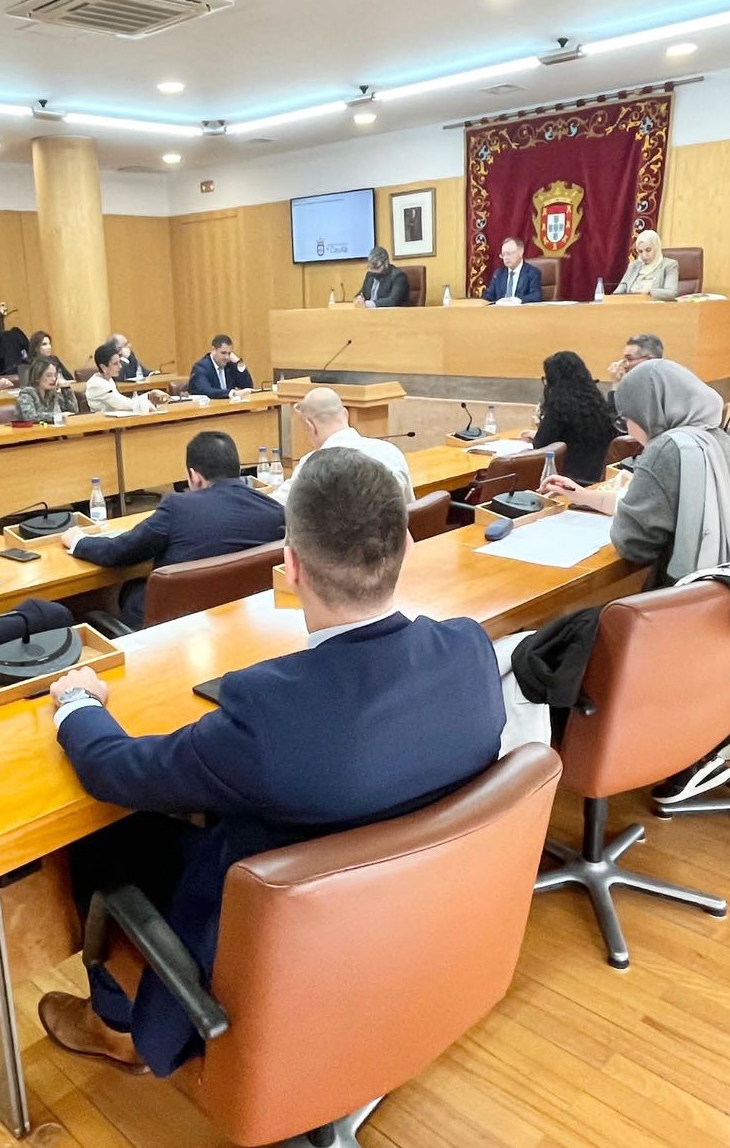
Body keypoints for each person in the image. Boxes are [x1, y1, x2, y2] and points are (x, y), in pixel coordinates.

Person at [37, 448, 506, 1077]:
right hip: (414, 934)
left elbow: (114, 771)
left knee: (112, 834)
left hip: (276, 961)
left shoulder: (266, 713)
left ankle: (117, 1023)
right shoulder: (470, 651)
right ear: (407, 544)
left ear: (291, 566)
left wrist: (75, 704)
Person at [542, 359, 730, 583]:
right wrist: (585, 496)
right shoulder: (723, 441)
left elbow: (633, 544)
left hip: (714, 600)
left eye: (625, 419)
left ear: (645, 413)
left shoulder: (668, 447)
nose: (627, 429)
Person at [61, 431, 287, 629]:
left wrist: (79, 540)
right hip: (247, 620)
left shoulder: (177, 507)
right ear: (237, 469)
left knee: (128, 591)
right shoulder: (275, 511)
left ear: (194, 476)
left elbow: (119, 552)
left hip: (176, 629)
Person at [272, 387, 415, 503]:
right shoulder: (390, 451)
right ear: (346, 414)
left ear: (310, 426)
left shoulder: (312, 464)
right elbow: (409, 509)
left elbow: (275, 508)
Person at [519, 352, 617, 483]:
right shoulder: (599, 405)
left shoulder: (559, 408)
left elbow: (541, 447)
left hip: (567, 480)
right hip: (600, 478)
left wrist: (538, 436)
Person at [85, 343, 167, 413]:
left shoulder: (108, 379)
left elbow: (124, 402)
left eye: (119, 362)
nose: (120, 366)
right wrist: (150, 395)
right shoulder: (97, 384)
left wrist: (150, 395)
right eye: (115, 364)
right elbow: (124, 404)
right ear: (103, 367)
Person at [613, 230, 680, 300]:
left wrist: (648, 292)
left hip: (653, 305)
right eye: (640, 251)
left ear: (656, 247)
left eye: (648, 250)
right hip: (630, 304)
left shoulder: (669, 265)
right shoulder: (634, 266)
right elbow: (618, 292)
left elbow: (671, 293)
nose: (644, 256)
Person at [186, 334, 255, 399]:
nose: (227, 357)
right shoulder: (201, 367)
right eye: (223, 353)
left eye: (229, 353)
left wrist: (239, 362)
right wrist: (233, 393)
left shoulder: (230, 364)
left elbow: (248, 386)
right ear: (213, 350)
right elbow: (207, 391)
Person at [15, 355, 79, 423]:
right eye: (49, 375)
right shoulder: (26, 394)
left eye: (55, 375)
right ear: (37, 377)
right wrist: (57, 416)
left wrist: (66, 388)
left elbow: (73, 411)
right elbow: (30, 417)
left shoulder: (53, 393)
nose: (54, 379)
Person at [482, 236, 544, 305]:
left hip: (521, 310)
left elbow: (536, 296)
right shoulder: (499, 273)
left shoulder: (532, 273)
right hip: (500, 310)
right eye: (503, 255)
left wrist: (517, 300)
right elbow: (489, 296)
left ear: (520, 252)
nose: (505, 258)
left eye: (509, 254)